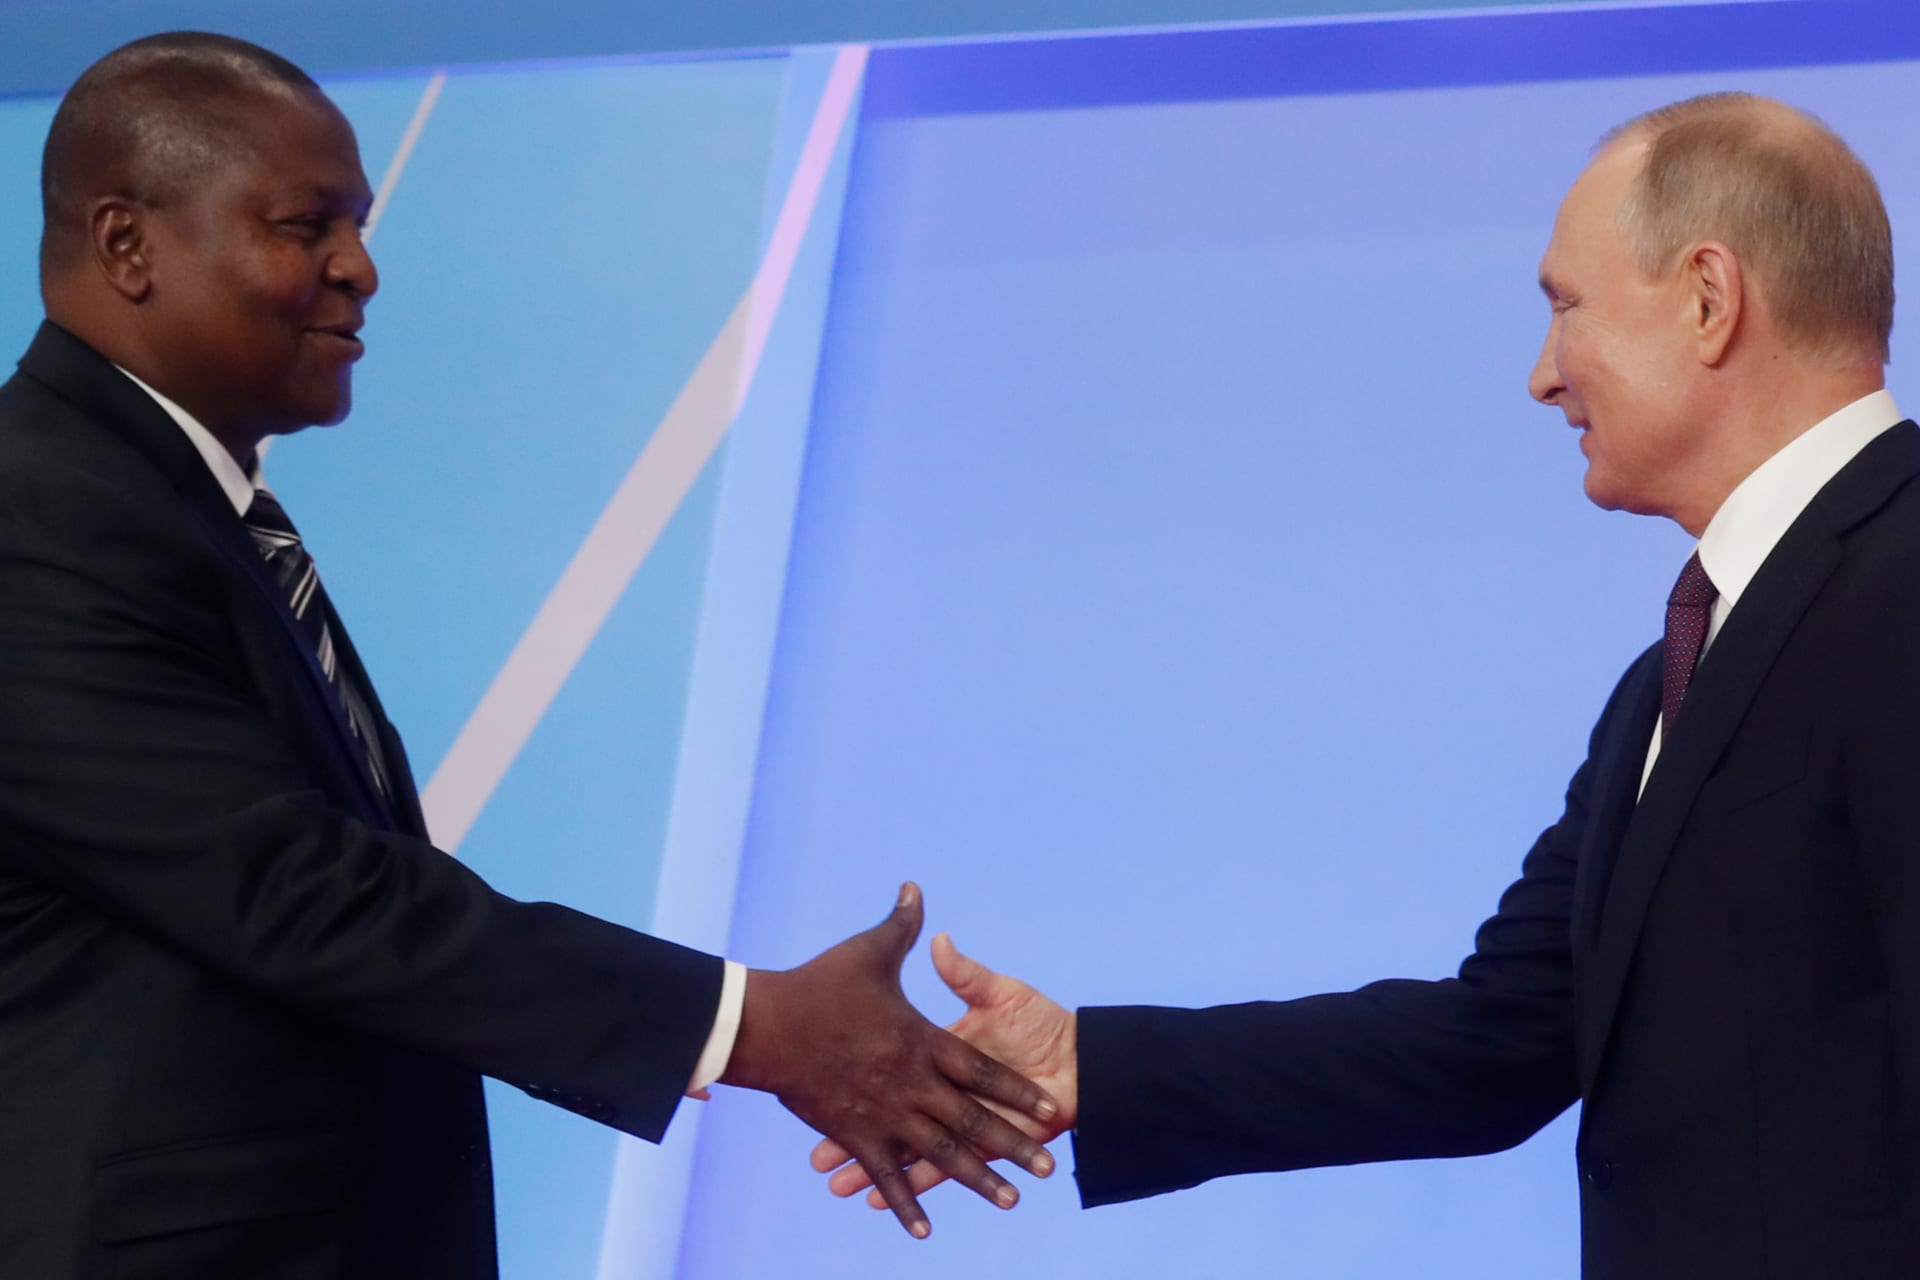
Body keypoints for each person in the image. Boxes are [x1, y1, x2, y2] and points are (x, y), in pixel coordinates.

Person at [0, 31, 1060, 1279]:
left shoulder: (167, 506)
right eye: (306, 225)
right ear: (128, 244)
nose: (360, 269)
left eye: (360, 222)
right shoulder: (39, 514)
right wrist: (755, 1024)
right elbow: (300, 893)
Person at [813, 92, 1918, 1277]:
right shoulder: (1671, 677)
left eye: (1565, 305)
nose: (1542, 376)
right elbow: (1495, 1042)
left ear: (1708, 298)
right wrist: (1090, 1060)